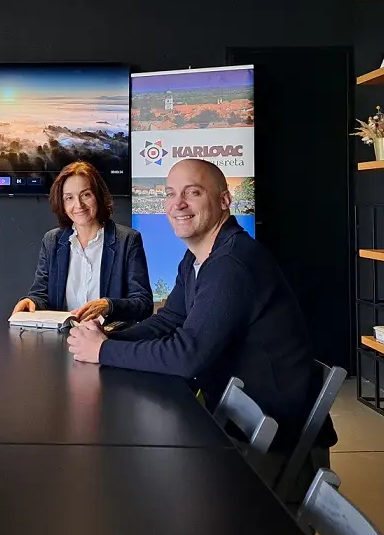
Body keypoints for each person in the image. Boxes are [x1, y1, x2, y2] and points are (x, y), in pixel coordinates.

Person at [66, 158, 331, 456]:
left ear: (224, 200)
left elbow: (186, 356)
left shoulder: (231, 264)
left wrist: (103, 350)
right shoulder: (197, 256)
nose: (178, 204)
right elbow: (169, 319)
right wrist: (107, 339)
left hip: (271, 441)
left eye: (193, 192)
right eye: (170, 193)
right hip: (233, 418)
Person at [12, 161, 151, 325]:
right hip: (63, 336)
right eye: (69, 198)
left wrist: (109, 306)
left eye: (86, 195)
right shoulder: (52, 241)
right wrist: (31, 302)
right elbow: (40, 294)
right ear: (62, 204)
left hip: (109, 337)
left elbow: (144, 303)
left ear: (98, 196)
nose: (78, 205)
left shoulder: (127, 240)